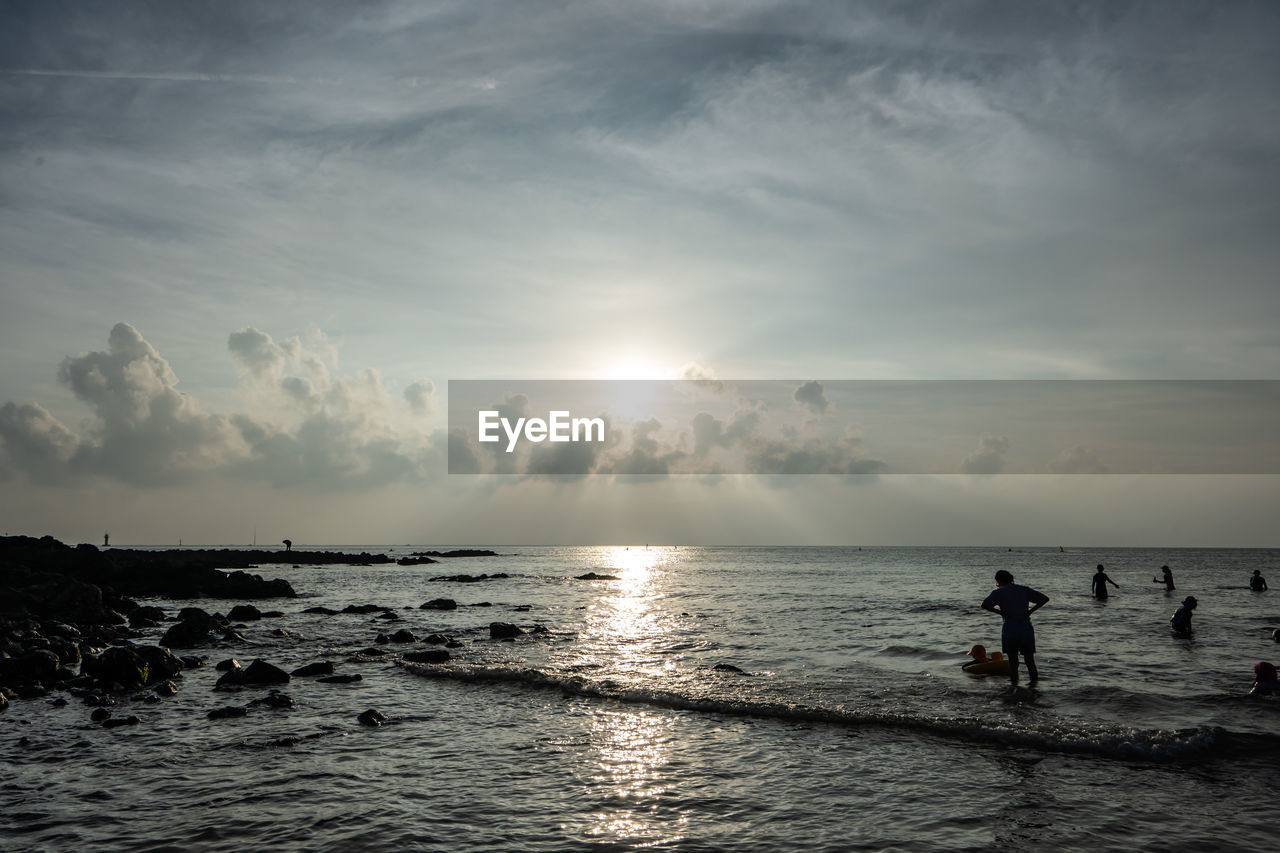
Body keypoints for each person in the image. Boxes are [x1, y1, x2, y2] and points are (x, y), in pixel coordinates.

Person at [981, 570, 1049, 687]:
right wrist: (1030, 612)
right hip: (1025, 628)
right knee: (1030, 661)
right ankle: (1034, 688)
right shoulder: (1023, 589)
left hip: (1010, 629)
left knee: (1013, 662)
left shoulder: (999, 592)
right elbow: (1044, 598)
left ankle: (1014, 687)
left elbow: (985, 605)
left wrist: (1001, 612)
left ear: (998, 580)